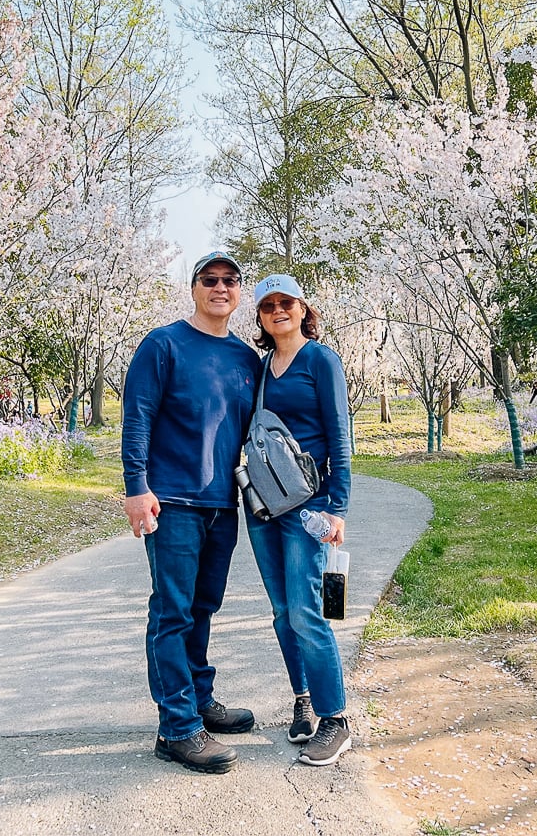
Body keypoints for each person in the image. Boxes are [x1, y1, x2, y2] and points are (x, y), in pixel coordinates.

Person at [121, 251, 261, 774]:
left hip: (223, 504)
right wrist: (136, 487)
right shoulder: (163, 345)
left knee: (203, 607)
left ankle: (199, 700)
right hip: (172, 501)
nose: (220, 288)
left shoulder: (246, 359)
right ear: (195, 288)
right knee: (173, 611)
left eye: (230, 280)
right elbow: (137, 417)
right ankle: (177, 728)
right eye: (210, 280)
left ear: (239, 291)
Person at [246, 274, 354, 767]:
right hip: (264, 507)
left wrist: (338, 507)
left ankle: (336, 719)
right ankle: (303, 698)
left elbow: (340, 436)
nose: (278, 310)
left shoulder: (320, 360)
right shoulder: (261, 368)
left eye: (286, 302)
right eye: (268, 305)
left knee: (308, 611)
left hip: (310, 507)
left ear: (303, 308)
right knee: (282, 610)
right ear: (260, 316)